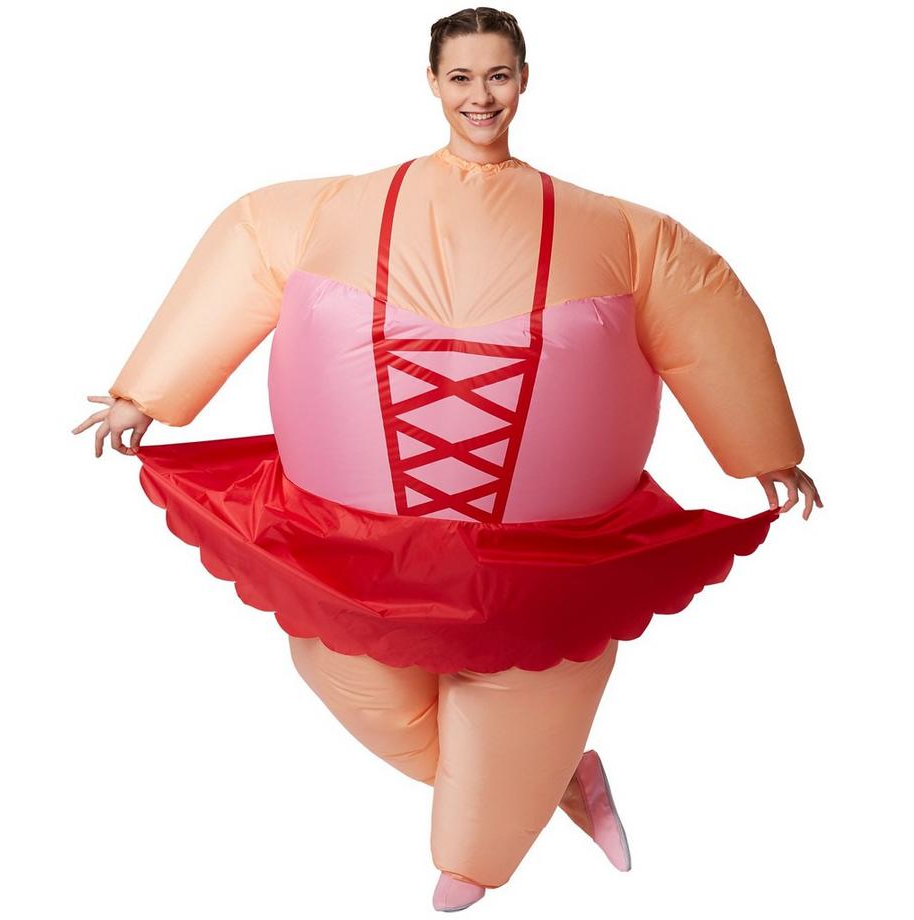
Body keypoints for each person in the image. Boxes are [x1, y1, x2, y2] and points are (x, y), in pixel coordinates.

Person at [72, 7, 822, 912]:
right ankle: (557, 780)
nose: (481, 96)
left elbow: (707, 308)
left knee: (520, 695)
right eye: (462, 77)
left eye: (497, 75)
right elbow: (244, 243)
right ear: (432, 83)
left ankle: (486, 842)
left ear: (525, 80)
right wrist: (145, 394)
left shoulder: (624, 234)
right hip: (350, 543)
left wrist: (764, 450)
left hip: (549, 555)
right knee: (347, 672)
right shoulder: (327, 212)